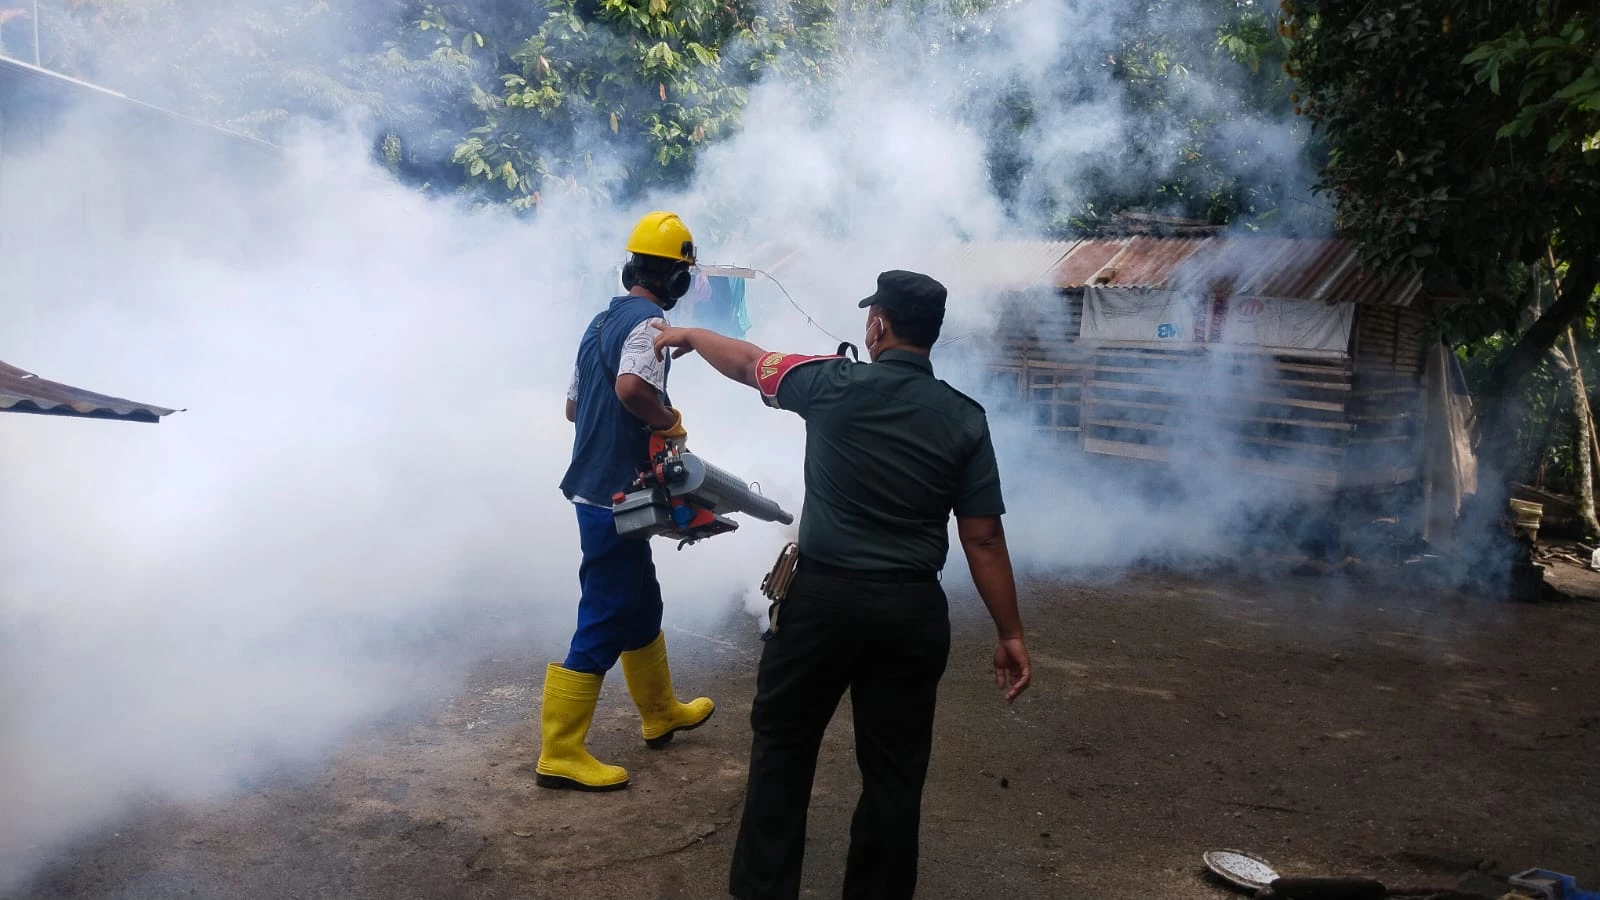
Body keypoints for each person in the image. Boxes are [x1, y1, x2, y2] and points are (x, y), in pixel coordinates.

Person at [651, 270, 1033, 899]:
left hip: (820, 605)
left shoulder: (832, 382)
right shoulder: (965, 419)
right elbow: (984, 538)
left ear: (877, 326)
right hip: (910, 611)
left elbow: (748, 363)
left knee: (783, 753)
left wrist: (689, 332)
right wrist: (1010, 632)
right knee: (893, 774)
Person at [537, 210, 716, 793]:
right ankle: (560, 751)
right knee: (607, 611)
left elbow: (573, 405)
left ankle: (659, 712)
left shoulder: (599, 324)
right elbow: (632, 389)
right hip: (614, 491)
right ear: (677, 277)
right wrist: (671, 422)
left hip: (597, 483)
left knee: (641, 601)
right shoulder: (648, 325)